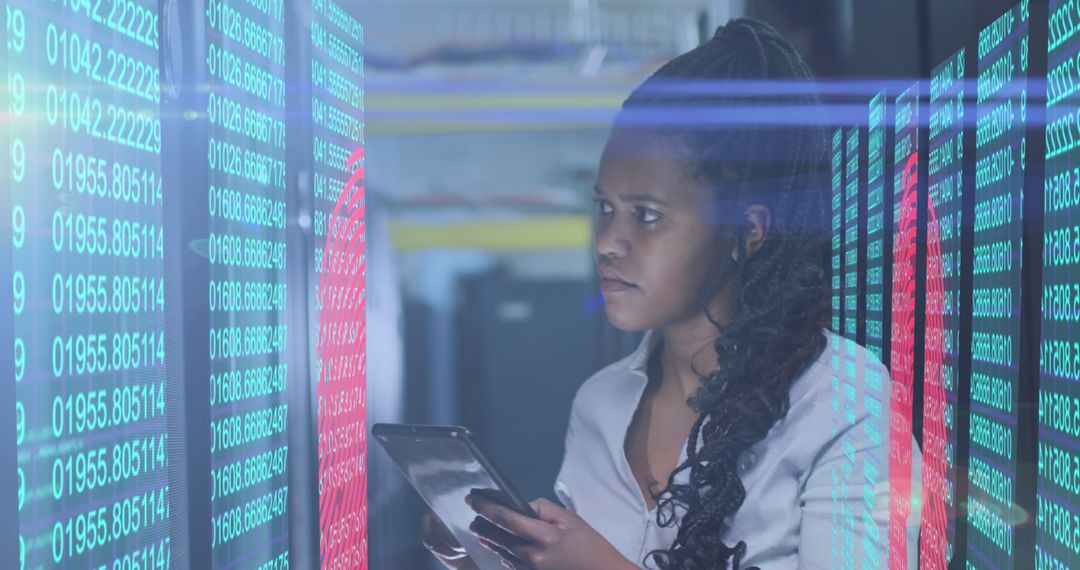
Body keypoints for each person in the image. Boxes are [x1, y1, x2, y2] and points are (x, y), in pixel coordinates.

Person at [421, 17, 919, 570]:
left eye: (647, 215)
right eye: (604, 208)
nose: (608, 243)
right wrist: (474, 553)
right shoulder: (599, 405)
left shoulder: (842, 402)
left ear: (747, 232)